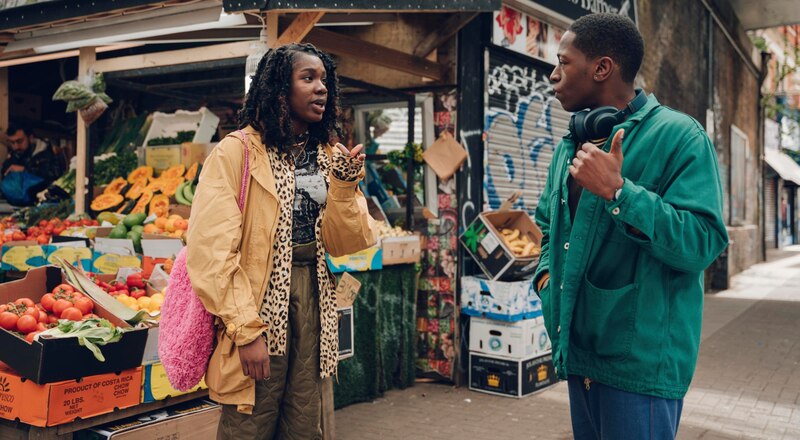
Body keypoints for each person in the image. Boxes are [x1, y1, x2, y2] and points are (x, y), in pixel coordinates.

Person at [533, 13, 728, 439]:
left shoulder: (680, 137)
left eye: (563, 62)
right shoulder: (571, 146)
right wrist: (547, 280)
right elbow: (547, 226)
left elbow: (703, 242)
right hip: (579, 356)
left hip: (641, 370)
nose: (552, 74)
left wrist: (620, 194)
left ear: (602, 68)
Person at [185, 43, 376, 440]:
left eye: (324, 80)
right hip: (256, 301)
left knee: (304, 423)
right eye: (308, 78)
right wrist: (245, 330)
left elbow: (347, 243)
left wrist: (342, 187)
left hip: (313, 300)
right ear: (278, 90)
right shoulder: (236, 153)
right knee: (250, 421)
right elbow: (212, 253)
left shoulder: (326, 154)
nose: (321, 88)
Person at [2, 123, 66, 204]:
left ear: (31, 138)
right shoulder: (14, 155)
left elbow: (54, 175)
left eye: (19, 141)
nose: (16, 146)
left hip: (45, 200)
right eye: (12, 143)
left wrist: (25, 170)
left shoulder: (48, 153)